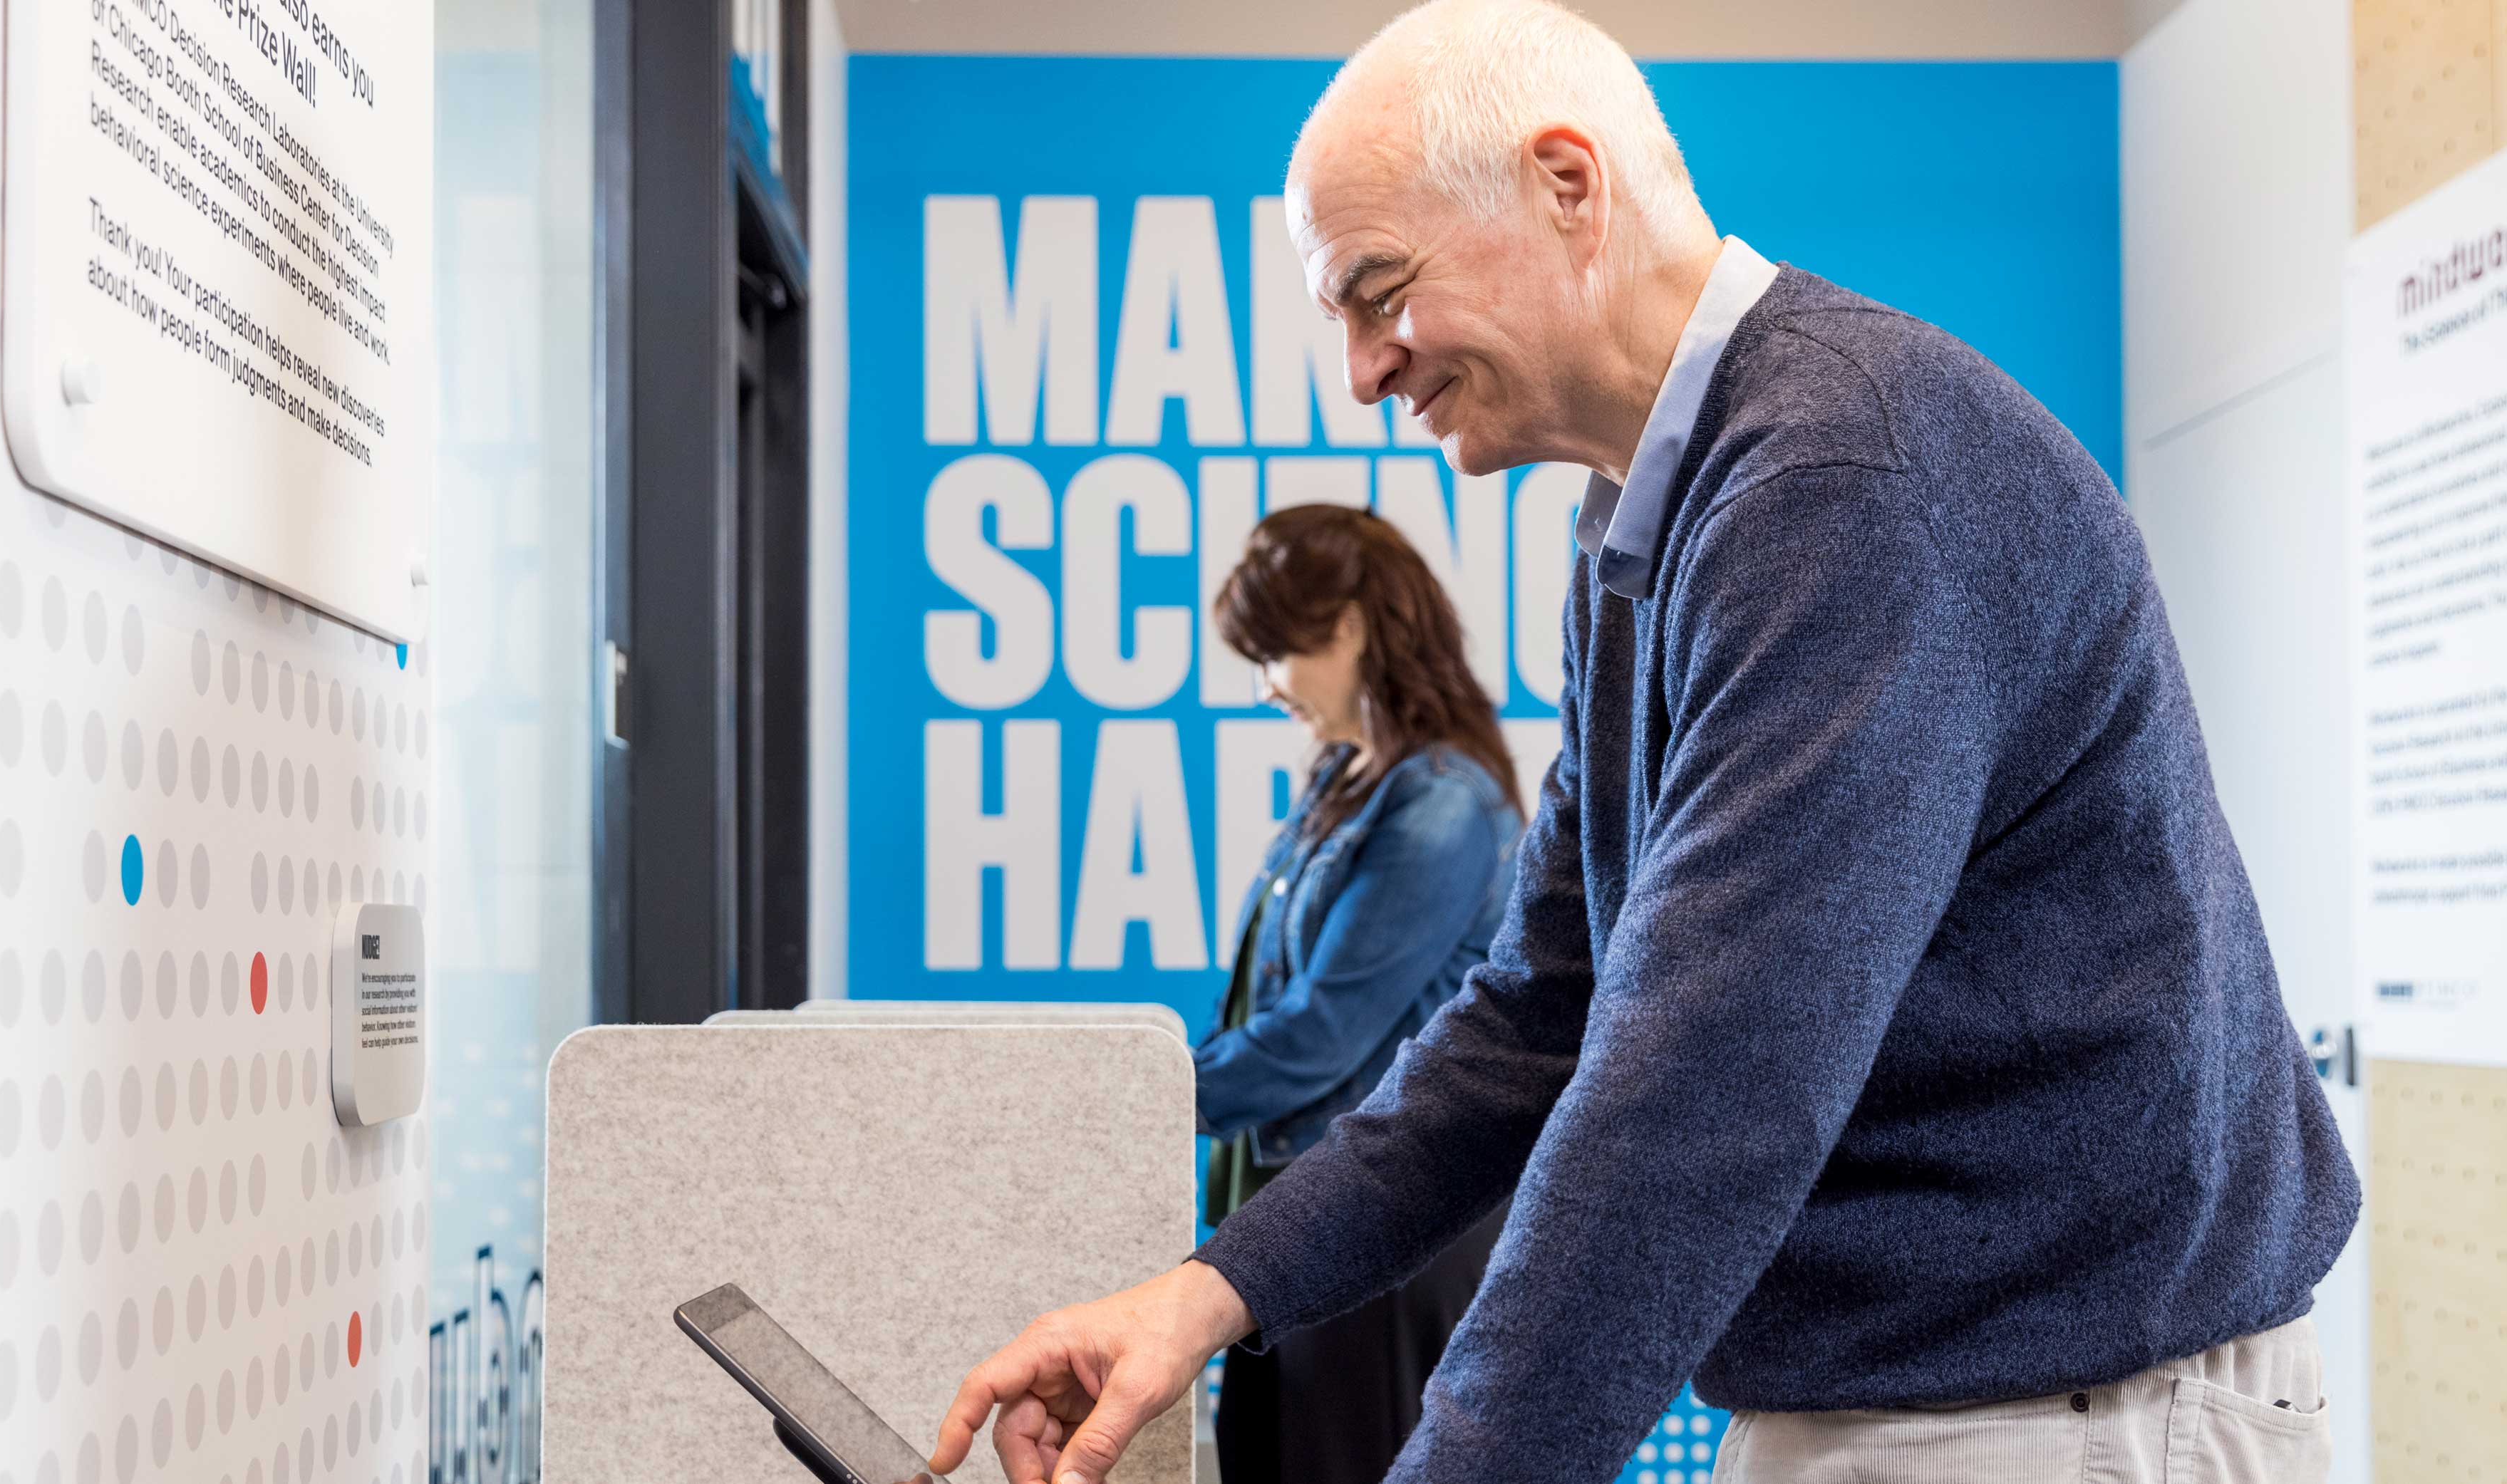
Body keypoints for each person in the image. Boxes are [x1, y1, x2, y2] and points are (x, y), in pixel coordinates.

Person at [929, 3, 2361, 1483]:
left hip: (2051, 1411)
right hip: (1900, 1395)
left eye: (1378, 292)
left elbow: (1705, 1086)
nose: (1361, 369)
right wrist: (1205, 1296)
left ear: (1568, 185)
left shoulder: (1843, 474)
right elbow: (1539, 1014)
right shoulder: (1648, 516)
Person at [1196, 504, 1524, 1484]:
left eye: (1275, 655)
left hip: (1391, 1236)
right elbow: (1266, 1002)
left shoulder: (1441, 804)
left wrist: (1141, 1090)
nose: (1267, 688)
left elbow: (1315, 1038)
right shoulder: (1347, 777)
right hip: (1308, 1224)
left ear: (1346, 628)